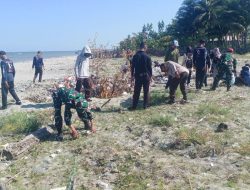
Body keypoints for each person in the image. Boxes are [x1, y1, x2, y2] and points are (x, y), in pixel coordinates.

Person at [52, 77, 95, 141]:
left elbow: (89, 112)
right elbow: (67, 117)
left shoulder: (83, 100)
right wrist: (73, 130)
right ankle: (59, 133)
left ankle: (86, 124)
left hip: (68, 93)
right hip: (57, 93)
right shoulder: (69, 102)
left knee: (82, 112)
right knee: (57, 112)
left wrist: (92, 125)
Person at [129, 42, 152, 110]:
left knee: (136, 92)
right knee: (146, 91)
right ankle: (145, 106)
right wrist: (150, 76)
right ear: (144, 47)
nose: (147, 48)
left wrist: (132, 75)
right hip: (146, 76)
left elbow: (132, 67)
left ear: (140, 47)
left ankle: (134, 106)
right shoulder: (147, 56)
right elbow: (150, 68)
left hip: (138, 76)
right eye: (146, 47)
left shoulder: (135, 56)